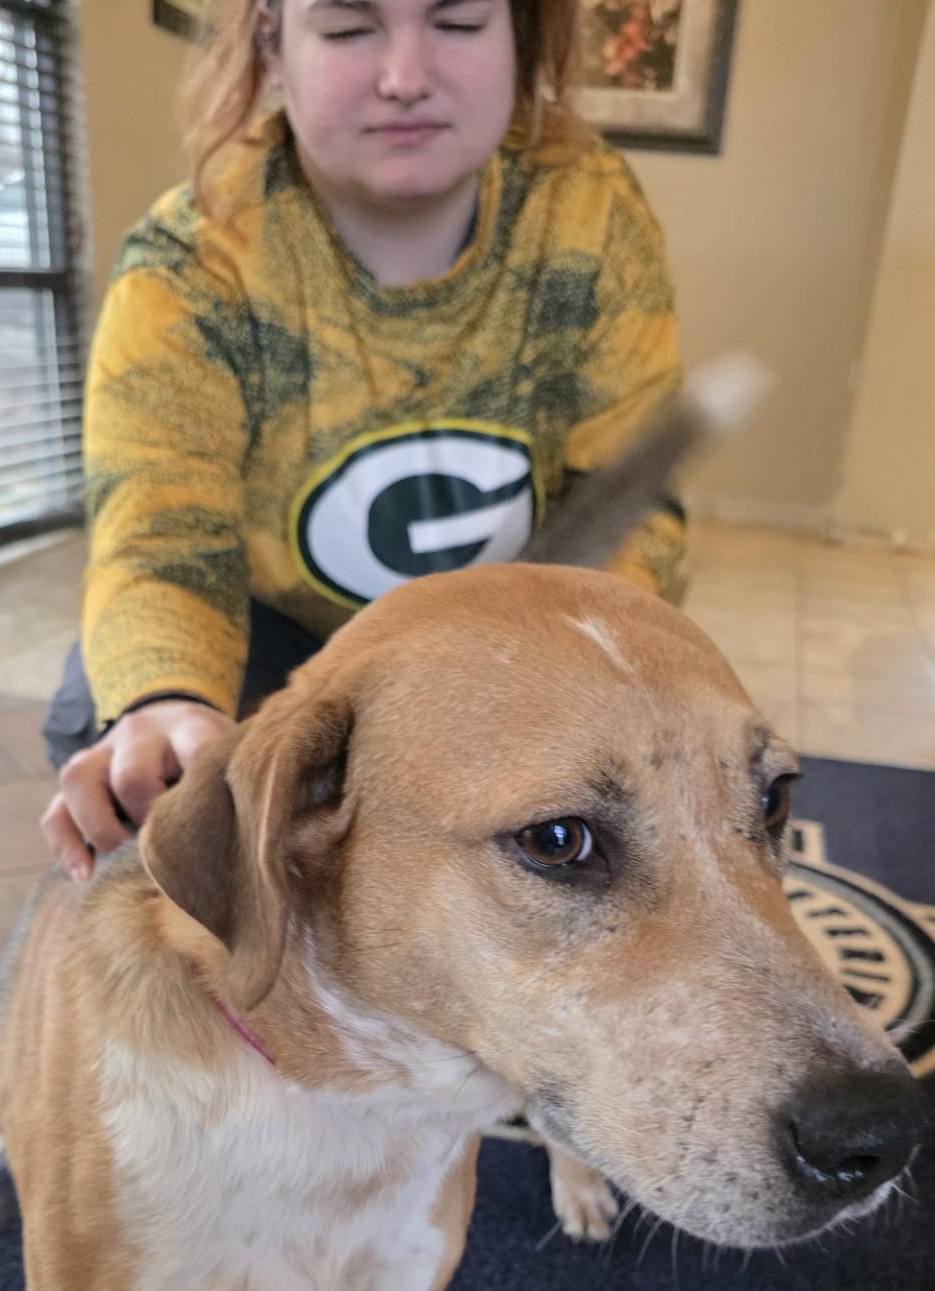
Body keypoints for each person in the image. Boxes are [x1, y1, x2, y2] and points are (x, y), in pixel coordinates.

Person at [41, 0, 688, 881]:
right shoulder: (188, 263)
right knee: (112, 727)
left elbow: (629, 500)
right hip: (273, 635)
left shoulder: (590, 213)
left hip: (510, 628)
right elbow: (159, 533)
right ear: (274, 45)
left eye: (457, 24)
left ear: (521, 37)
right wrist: (165, 701)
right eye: (350, 30)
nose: (406, 78)